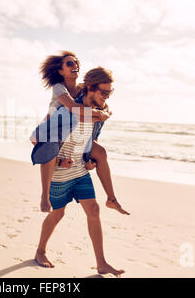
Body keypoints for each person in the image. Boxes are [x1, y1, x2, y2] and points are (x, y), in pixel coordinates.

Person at [33, 67, 126, 276]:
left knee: (94, 210)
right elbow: (39, 142)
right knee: (57, 214)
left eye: (110, 93)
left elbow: (90, 141)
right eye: (104, 92)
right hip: (59, 174)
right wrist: (57, 161)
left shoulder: (97, 114)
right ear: (90, 89)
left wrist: (89, 159)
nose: (107, 97)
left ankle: (101, 263)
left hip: (79, 171)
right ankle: (40, 251)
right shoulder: (67, 114)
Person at [31, 51, 128, 215]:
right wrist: (99, 114)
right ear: (61, 71)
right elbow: (74, 109)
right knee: (49, 149)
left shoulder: (82, 88)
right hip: (51, 129)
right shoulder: (58, 87)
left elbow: (99, 104)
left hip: (70, 130)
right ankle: (44, 195)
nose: (75, 65)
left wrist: (104, 112)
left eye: (76, 62)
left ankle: (111, 199)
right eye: (69, 63)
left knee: (101, 152)